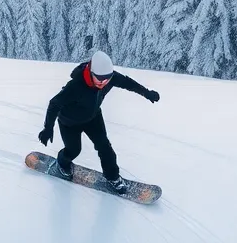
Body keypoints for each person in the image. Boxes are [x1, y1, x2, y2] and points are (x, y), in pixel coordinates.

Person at [38, 50, 159, 194]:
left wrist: (147, 93)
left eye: (106, 79)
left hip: (93, 118)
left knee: (105, 147)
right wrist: (48, 128)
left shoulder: (109, 77)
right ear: (90, 72)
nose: (103, 82)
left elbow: (127, 82)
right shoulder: (76, 85)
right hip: (69, 122)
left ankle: (113, 177)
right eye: (99, 78)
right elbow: (54, 104)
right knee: (74, 150)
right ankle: (62, 163)